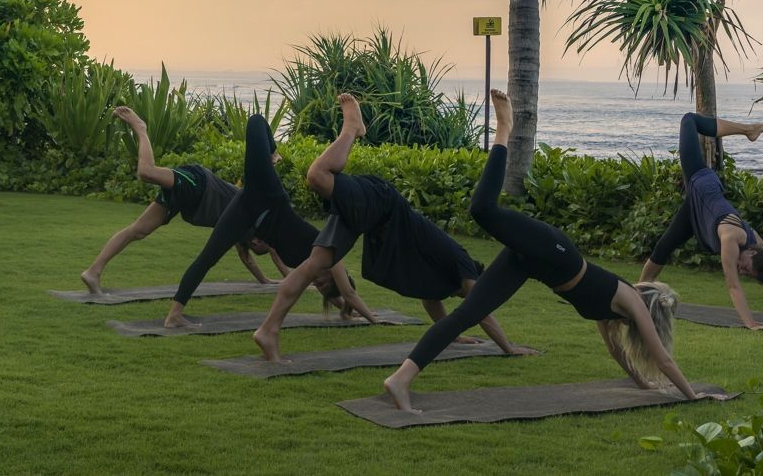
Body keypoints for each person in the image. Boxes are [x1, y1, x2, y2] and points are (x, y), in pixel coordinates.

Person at [381, 90, 726, 412]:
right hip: (558, 253)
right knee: (483, 211)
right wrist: (693, 395)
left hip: (536, 265)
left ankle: (400, 379)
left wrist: (644, 384)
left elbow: (618, 352)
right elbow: (664, 360)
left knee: (467, 315)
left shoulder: (615, 318)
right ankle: (505, 128)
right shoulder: (631, 301)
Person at [252, 94, 528, 362]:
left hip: (372, 222)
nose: (462, 296)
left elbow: (432, 303)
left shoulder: (439, 279)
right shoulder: (464, 267)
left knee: (314, 264)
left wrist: (453, 337)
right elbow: (479, 310)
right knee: (317, 177)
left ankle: (268, 330)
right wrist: (507, 347)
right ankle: (351, 128)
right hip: (385, 203)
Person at [163, 112, 373, 328]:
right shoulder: (331, 253)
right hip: (267, 195)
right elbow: (347, 291)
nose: (318, 283)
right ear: (335, 275)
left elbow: (338, 295)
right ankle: (274, 152)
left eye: (320, 287)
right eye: (325, 282)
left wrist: (346, 312)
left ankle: (173, 317)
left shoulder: (311, 271)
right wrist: (371, 317)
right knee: (255, 121)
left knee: (208, 256)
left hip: (248, 210)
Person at [80, 106, 283, 294]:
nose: (256, 243)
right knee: (147, 173)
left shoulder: (240, 234)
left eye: (256, 246)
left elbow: (246, 258)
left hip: (190, 202)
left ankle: (92, 272)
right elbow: (259, 181)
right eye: (261, 243)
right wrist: (294, 277)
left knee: (138, 230)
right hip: (200, 184)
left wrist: (265, 281)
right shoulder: (252, 211)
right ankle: (141, 128)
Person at [638, 112, 763, 330]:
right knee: (689, 120)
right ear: (750, 253)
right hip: (700, 180)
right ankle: (748, 130)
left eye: (746, 273)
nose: (742, 270)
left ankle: (637, 295)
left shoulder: (758, 247)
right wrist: (751, 324)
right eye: (746, 268)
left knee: (663, 247)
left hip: (698, 210)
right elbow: (734, 287)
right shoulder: (731, 241)